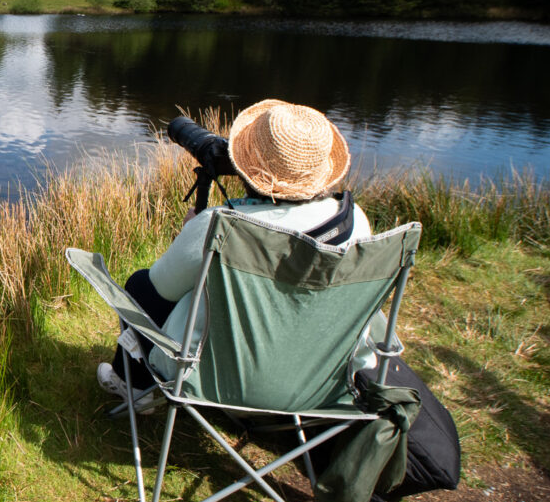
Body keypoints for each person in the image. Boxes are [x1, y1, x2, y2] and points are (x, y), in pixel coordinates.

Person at [97, 99, 375, 411]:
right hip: (319, 378)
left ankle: (134, 385)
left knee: (139, 285)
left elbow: (161, 287)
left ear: (245, 166)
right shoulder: (355, 222)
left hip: (220, 379)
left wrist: (194, 230)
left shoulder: (221, 227)